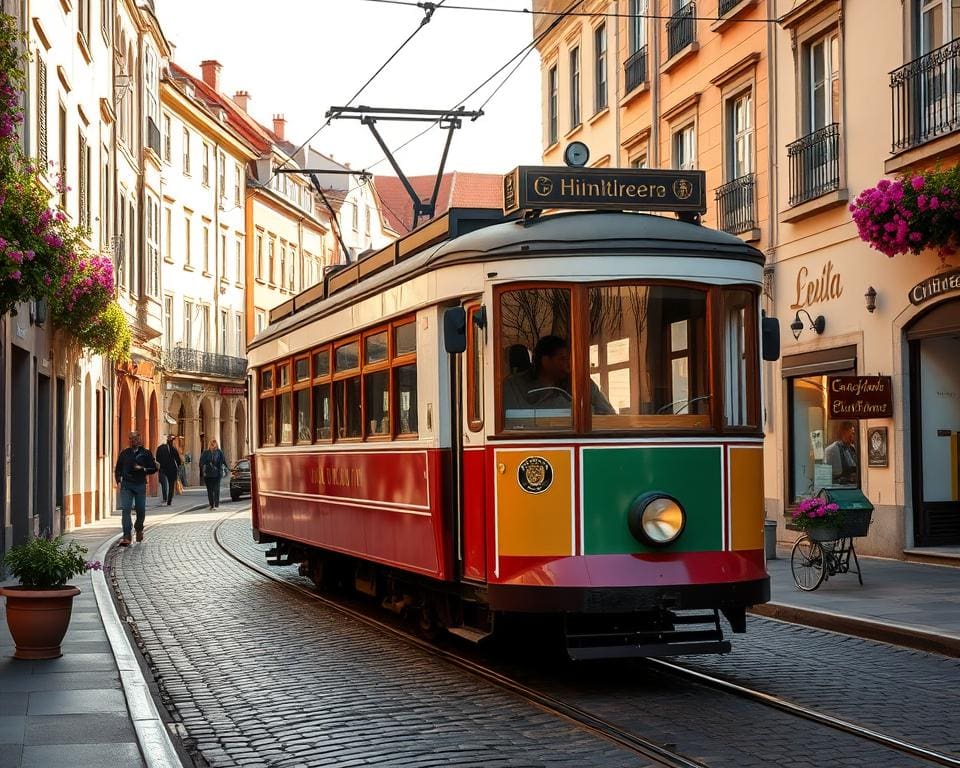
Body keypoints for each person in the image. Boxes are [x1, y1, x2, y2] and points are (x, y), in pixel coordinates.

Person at [503, 335, 615, 414]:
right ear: (546, 361)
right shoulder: (514, 387)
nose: (569, 364)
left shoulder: (581, 383)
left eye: (570, 359)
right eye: (563, 359)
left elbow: (608, 416)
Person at [114, 430, 158, 545]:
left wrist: (143, 469)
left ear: (140, 440)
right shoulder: (124, 453)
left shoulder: (146, 453)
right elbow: (118, 468)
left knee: (140, 510)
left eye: (136, 439)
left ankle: (139, 529)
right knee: (126, 510)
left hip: (140, 484)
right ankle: (127, 536)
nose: (134, 441)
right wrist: (118, 480)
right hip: (127, 485)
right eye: (132, 439)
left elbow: (153, 468)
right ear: (130, 441)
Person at [825, 420, 858, 485]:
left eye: (853, 434)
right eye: (851, 433)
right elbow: (828, 476)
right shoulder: (832, 450)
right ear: (844, 433)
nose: (853, 437)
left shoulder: (852, 449)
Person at [155, 434, 183, 506]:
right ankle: (169, 501)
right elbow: (178, 460)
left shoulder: (160, 448)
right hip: (171, 469)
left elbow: (157, 458)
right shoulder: (173, 449)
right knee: (171, 485)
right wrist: (178, 466)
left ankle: (165, 498)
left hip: (162, 468)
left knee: (163, 483)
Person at [199, 439, 227, 509]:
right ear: (210, 445)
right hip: (208, 474)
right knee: (210, 490)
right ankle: (212, 504)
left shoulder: (219, 452)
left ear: (216, 445)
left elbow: (223, 461)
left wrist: (226, 469)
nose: (213, 446)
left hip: (217, 474)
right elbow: (201, 462)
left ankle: (216, 504)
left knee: (216, 489)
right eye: (212, 444)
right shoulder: (206, 452)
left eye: (214, 444)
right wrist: (207, 464)